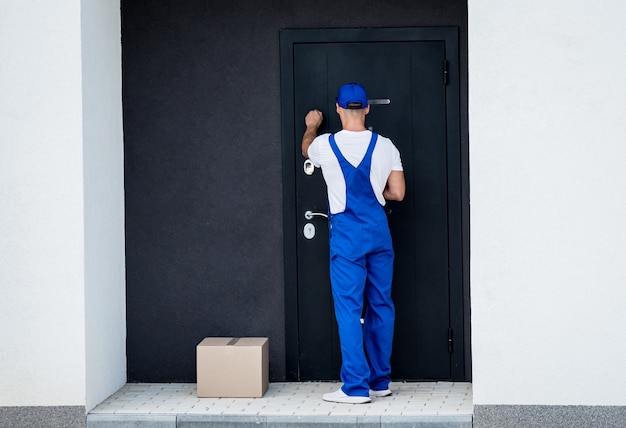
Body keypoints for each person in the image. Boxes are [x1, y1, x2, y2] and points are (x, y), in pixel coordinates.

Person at [301, 83, 405, 404]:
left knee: (349, 309)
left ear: (338, 109)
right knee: (381, 305)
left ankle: (355, 387)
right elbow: (398, 193)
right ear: (368, 110)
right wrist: (376, 194)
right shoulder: (386, 146)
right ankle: (379, 381)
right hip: (378, 232)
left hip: (347, 237)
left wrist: (311, 126)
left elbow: (305, 150)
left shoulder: (324, 146)